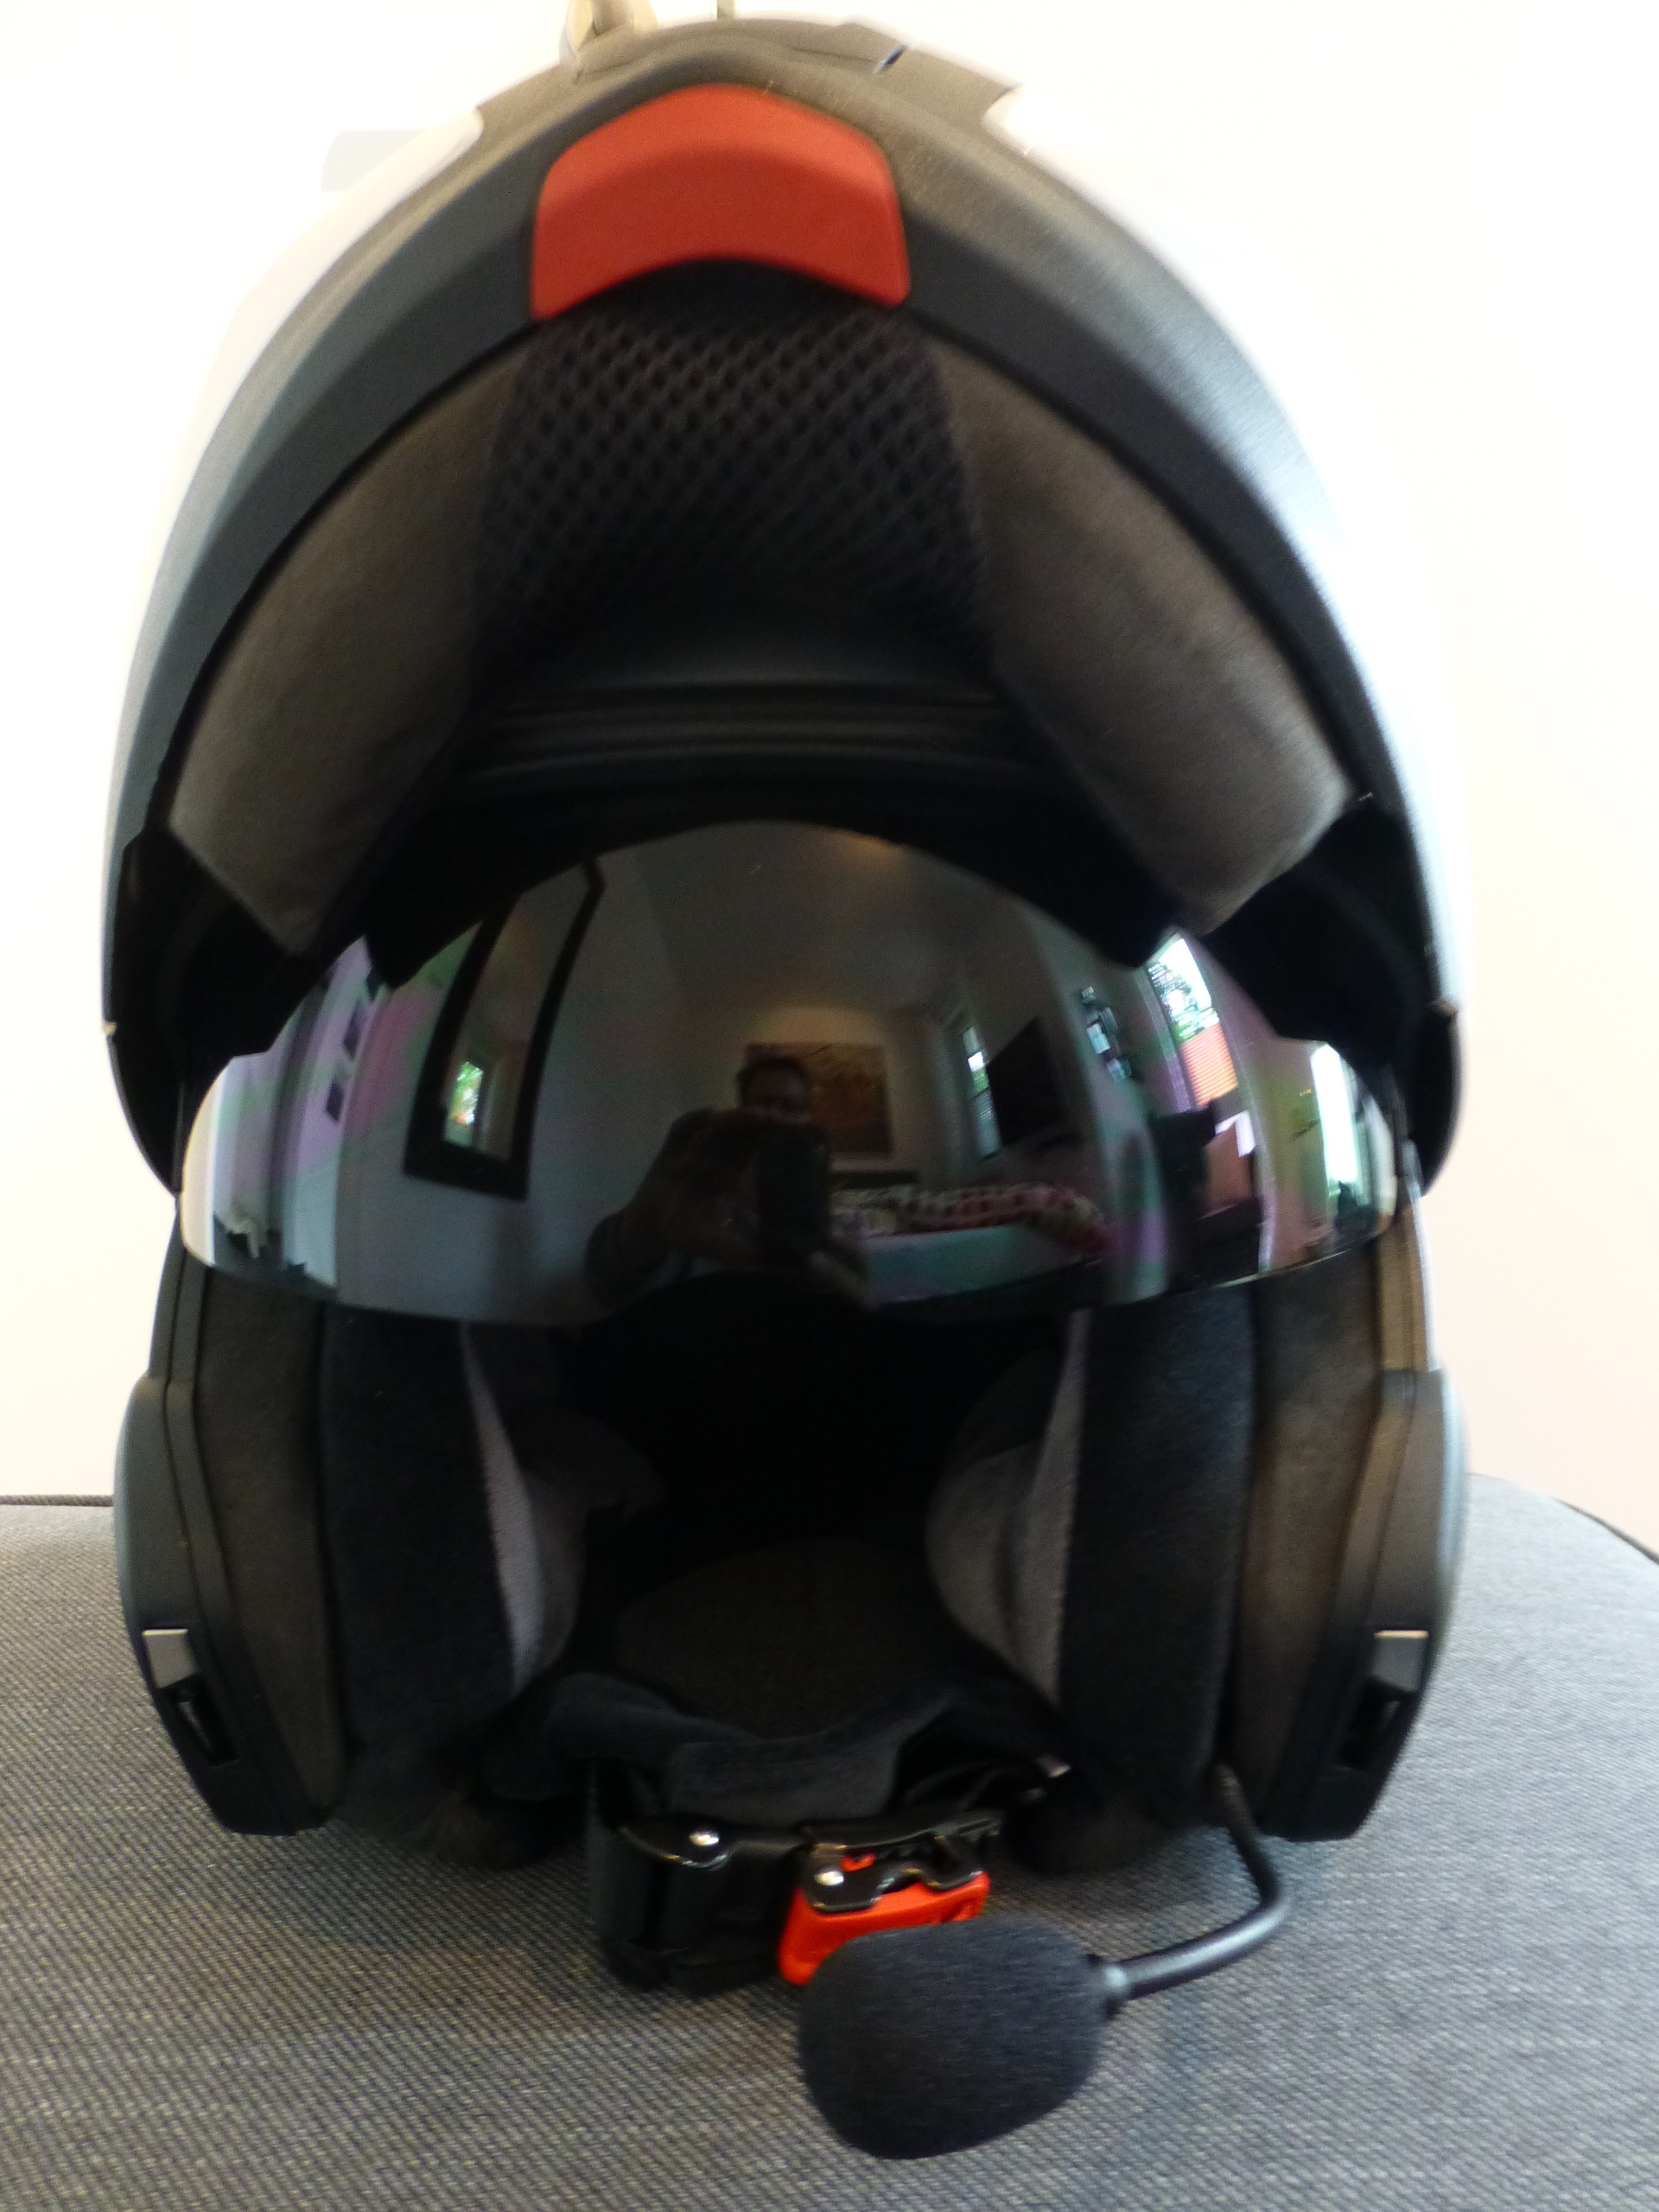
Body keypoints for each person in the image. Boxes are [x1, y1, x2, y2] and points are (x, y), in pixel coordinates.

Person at [583, 1055, 865, 1310]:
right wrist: (642, 1226)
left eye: (791, 1107)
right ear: (743, 1110)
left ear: (807, 1117)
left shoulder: (822, 1222)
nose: (776, 1117)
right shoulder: (698, 1205)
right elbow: (610, 1286)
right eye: (763, 1103)